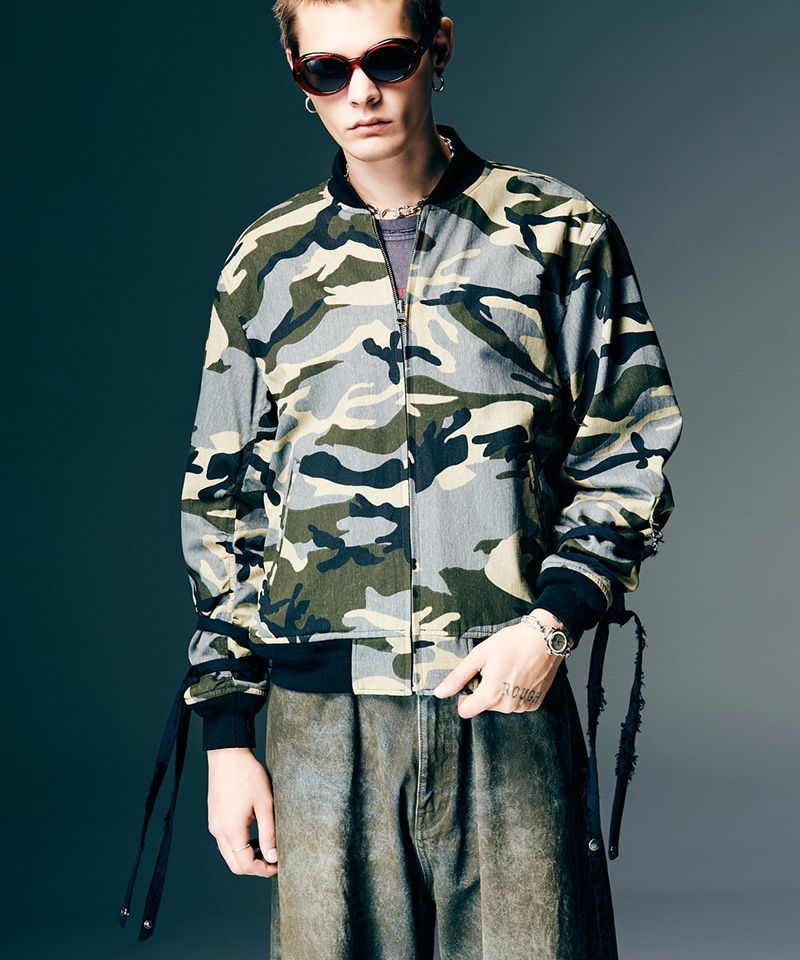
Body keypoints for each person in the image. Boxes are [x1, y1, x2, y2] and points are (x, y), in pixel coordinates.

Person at [119, 1, 684, 956]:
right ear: (297, 77)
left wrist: (552, 626)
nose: (362, 93)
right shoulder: (265, 263)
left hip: (507, 702)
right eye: (326, 70)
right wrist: (226, 736)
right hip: (321, 732)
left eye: (387, 58)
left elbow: (628, 448)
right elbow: (225, 503)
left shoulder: (557, 233)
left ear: (439, 47)